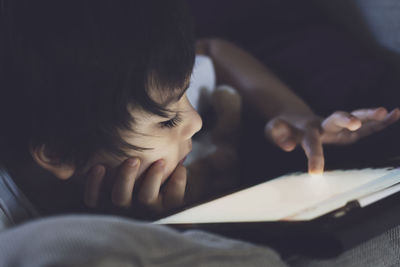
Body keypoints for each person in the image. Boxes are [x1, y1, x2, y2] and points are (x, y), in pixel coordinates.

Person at [1, 0, 399, 222]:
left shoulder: (140, 84)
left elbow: (212, 50)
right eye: (168, 120)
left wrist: (295, 114)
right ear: (59, 153)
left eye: (185, 95)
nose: (196, 120)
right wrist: (145, 226)